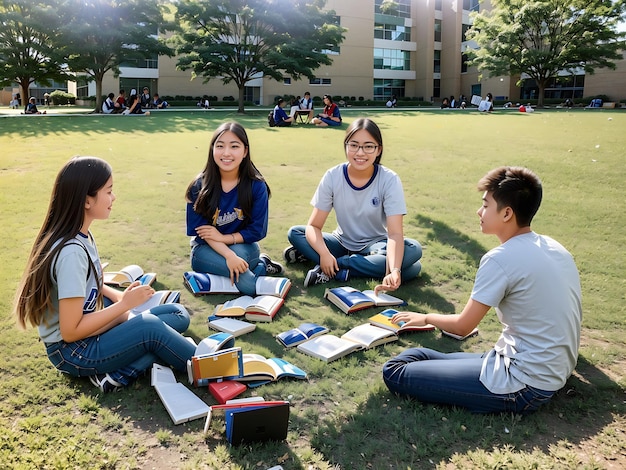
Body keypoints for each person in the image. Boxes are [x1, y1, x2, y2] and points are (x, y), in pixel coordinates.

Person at [382, 166, 582, 414]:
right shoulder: (555, 247)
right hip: (551, 368)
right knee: (418, 355)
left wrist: (424, 318)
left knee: (396, 370)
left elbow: (463, 326)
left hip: (525, 384)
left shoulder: (501, 258)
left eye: (486, 205)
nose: (479, 211)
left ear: (507, 213)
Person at [13, 156, 196, 393]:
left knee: (176, 313)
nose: (114, 197)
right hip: (72, 351)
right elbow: (70, 332)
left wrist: (122, 300)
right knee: (151, 327)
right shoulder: (71, 253)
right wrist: (123, 308)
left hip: (89, 330)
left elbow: (91, 285)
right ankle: (211, 365)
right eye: (108, 191)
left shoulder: (82, 235)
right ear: (87, 200)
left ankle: (127, 366)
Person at [284, 118, 423, 287]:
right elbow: (314, 226)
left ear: (378, 149)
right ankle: (334, 262)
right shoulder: (333, 176)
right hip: (340, 242)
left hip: (376, 245)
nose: (360, 153)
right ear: (346, 146)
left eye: (368, 146)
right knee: (296, 232)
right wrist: (325, 253)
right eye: (354, 145)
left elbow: (394, 234)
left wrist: (394, 270)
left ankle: (340, 267)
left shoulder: (389, 179)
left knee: (413, 251)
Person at [185, 122, 284, 296]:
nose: (226, 153)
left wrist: (225, 238)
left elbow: (256, 230)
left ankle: (253, 267)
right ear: (212, 149)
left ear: (245, 151)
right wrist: (229, 257)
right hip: (205, 250)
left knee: (240, 263)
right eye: (220, 146)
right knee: (245, 281)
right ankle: (260, 267)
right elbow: (203, 233)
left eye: (234, 146)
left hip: (244, 246)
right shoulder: (199, 186)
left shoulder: (256, 186)